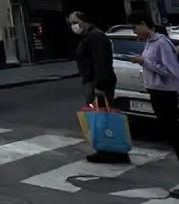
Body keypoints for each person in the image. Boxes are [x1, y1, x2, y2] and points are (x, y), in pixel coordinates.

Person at [69, 10, 129, 164]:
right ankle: (108, 149)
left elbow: (101, 63)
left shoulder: (95, 36)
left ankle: (111, 150)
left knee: (103, 118)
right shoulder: (88, 36)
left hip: (98, 82)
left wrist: (99, 85)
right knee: (100, 117)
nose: (73, 26)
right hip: (93, 81)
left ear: (85, 21)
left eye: (75, 22)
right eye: (71, 23)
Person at [127, 11, 179, 166]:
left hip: (166, 93)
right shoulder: (149, 42)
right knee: (169, 132)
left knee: (173, 132)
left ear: (143, 23)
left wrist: (143, 61)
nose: (134, 32)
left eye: (135, 28)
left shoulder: (162, 43)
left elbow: (171, 70)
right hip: (155, 91)